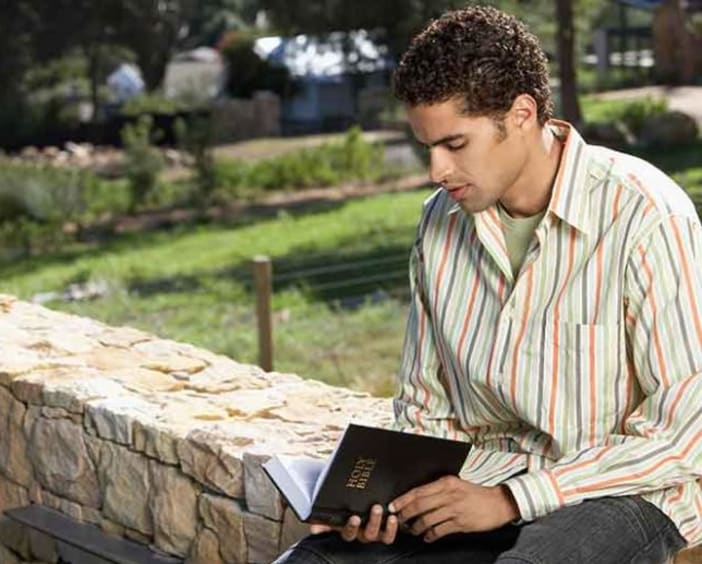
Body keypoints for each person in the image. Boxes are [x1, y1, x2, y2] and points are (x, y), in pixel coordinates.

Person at [274, 6, 701, 563]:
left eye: (455, 144)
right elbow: (425, 409)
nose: (436, 170)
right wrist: (385, 500)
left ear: (521, 115)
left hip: (620, 488)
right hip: (481, 479)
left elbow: (687, 431)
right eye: (427, 146)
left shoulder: (644, 214)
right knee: (314, 561)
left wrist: (511, 498)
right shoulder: (440, 223)